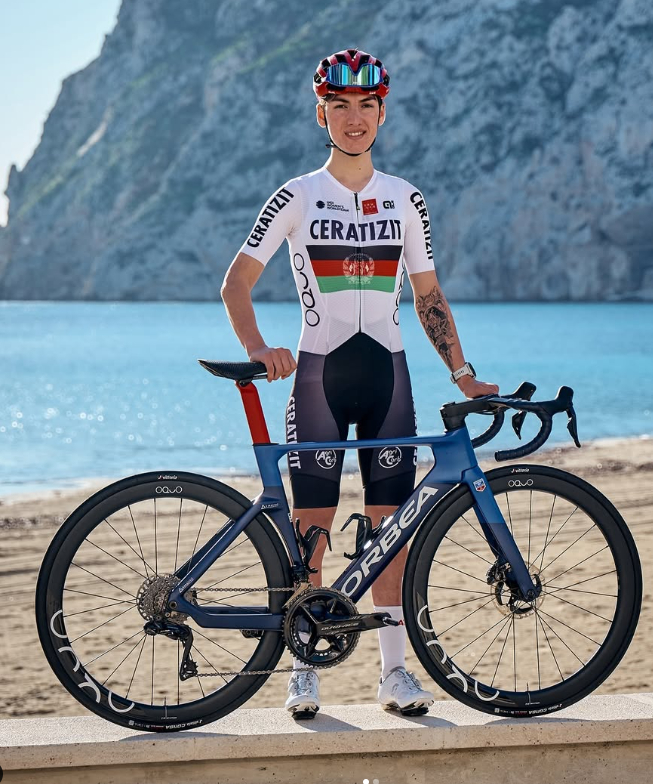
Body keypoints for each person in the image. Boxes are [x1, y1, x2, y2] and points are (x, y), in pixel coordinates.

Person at [221, 48, 499, 719]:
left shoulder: (406, 198)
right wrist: (260, 350)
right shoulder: (295, 195)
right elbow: (235, 284)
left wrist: (461, 372)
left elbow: (428, 294)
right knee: (309, 531)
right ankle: (303, 673)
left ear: (381, 112)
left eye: (366, 105)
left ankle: (395, 676)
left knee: (390, 531)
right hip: (316, 373)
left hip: (388, 376)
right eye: (339, 105)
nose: (353, 118)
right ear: (321, 112)